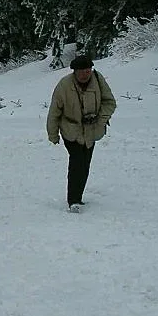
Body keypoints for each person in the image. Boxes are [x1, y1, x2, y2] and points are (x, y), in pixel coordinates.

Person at [46, 54, 117, 212]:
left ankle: (79, 196)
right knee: (77, 162)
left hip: (92, 131)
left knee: (85, 164)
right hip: (71, 130)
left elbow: (110, 102)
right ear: (74, 72)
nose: (86, 74)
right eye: (82, 71)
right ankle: (74, 200)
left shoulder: (98, 80)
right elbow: (54, 112)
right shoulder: (64, 85)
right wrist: (53, 133)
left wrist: (100, 119)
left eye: (88, 70)